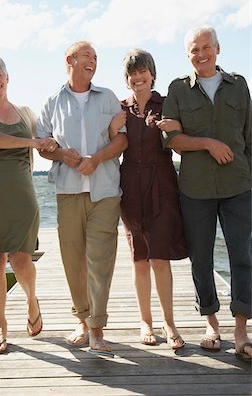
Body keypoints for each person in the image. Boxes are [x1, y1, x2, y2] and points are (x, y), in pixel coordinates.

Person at [159, 25, 252, 361]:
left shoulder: (239, 86)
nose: (201, 54)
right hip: (196, 189)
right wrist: (208, 144)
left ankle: (242, 331)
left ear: (217, 48)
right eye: (194, 50)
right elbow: (170, 139)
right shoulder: (178, 90)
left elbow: (249, 138)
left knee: (243, 256)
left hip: (238, 186)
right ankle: (212, 325)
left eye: (206, 47)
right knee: (201, 257)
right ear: (188, 56)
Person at [36, 41, 127, 356]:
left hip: (104, 191)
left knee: (101, 259)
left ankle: (98, 329)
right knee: (73, 260)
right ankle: (82, 320)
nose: (93, 61)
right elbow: (42, 144)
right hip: (68, 191)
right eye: (87, 56)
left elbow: (122, 140)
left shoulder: (109, 97)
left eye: (96, 58)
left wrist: (97, 158)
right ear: (70, 60)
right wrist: (63, 153)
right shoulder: (52, 102)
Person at [0, 55, 57, 354]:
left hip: (21, 196)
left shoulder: (26, 113)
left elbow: (46, 140)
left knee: (21, 260)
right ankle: (1, 326)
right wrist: (31, 143)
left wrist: (52, 144)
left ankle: (32, 300)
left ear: (7, 77)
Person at [110, 49, 187, 349]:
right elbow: (111, 142)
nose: (137, 77)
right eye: (132, 73)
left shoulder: (167, 104)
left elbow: (179, 142)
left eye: (143, 71)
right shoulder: (119, 108)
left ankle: (169, 323)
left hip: (163, 184)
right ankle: (146, 321)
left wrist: (175, 127)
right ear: (126, 78)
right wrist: (111, 125)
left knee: (160, 257)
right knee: (139, 257)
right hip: (129, 185)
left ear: (152, 73)